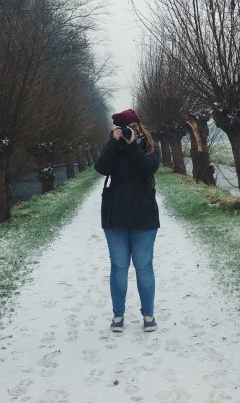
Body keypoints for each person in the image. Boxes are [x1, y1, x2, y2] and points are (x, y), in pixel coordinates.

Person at [94, 108, 161, 332]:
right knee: (119, 266)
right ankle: (117, 316)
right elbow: (101, 168)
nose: (130, 132)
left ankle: (148, 315)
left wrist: (132, 146)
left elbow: (148, 169)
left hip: (144, 214)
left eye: (134, 127)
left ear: (139, 127)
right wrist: (114, 143)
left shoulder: (150, 146)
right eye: (125, 128)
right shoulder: (112, 145)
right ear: (116, 129)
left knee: (143, 266)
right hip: (116, 214)